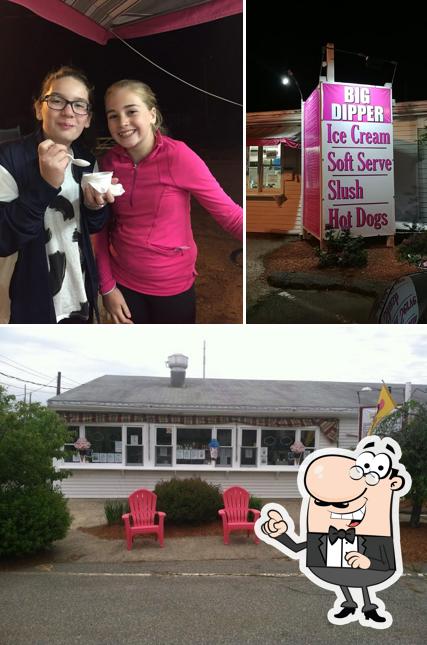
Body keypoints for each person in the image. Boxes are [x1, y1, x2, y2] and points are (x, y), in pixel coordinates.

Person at [89, 79, 243, 324]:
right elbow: (100, 228)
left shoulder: (179, 156)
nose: (123, 123)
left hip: (172, 287)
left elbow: (231, 216)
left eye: (131, 111)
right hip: (123, 284)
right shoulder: (107, 163)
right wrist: (107, 288)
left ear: (151, 114)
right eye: (113, 116)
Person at [256, 436, 411, 630]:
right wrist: (280, 534)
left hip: (367, 572)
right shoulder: (322, 535)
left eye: (343, 504)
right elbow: (297, 548)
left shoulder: (376, 536)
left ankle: (369, 606)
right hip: (332, 571)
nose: (335, 509)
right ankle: (348, 603)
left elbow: (386, 563)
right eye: (321, 502)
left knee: (362, 580)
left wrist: (368, 562)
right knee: (343, 579)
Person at [0, 66, 109, 323]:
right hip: (29, 305)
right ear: (39, 108)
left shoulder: (86, 161)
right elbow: (3, 239)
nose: (69, 111)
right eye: (57, 100)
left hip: (81, 296)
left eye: (79, 104)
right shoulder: (9, 159)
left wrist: (96, 208)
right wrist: (44, 185)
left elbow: (91, 227)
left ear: (88, 118)